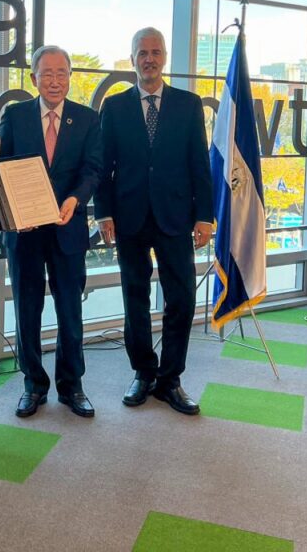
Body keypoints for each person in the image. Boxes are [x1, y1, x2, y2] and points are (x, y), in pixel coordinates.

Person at [95, 27, 213, 416]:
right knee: (135, 297)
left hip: (176, 216)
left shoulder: (188, 104)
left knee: (182, 298)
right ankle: (143, 372)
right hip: (129, 216)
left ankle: (170, 379)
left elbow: (199, 163)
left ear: (164, 58)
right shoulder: (114, 107)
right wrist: (103, 212)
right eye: (142, 53)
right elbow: (104, 167)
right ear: (132, 59)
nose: (149, 59)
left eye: (155, 52)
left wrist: (205, 215)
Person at [0, 46, 102, 419]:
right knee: (27, 310)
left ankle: (72, 386)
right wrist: (14, 212)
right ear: (34, 78)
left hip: (67, 228)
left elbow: (93, 169)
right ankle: (33, 385)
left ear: (70, 76)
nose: (55, 81)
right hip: (25, 232)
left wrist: (75, 199)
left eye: (61, 73)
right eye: (47, 73)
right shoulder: (15, 116)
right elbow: (2, 167)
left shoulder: (87, 118)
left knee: (70, 310)